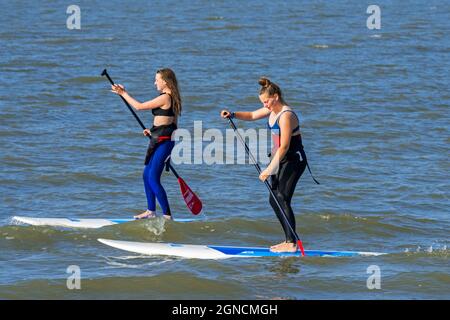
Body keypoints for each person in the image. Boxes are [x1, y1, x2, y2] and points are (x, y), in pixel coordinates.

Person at [221, 77, 318, 252]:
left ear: (276, 96)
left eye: (266, 101)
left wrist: (269, 169)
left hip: (294, 160)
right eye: (263, 103)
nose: (265, 105)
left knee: (281, 198)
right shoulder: (271, 111)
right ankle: (289, 240)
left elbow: (285, 146)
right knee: (274, 200)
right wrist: (233, 114)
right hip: (279, 159)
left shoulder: (286, 115)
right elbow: (251, 115)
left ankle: (292, 243)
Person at [111, 68, 181, 220]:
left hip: (164, 143)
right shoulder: (172, 98)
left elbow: (139, 106)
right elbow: (171, 123)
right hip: (160, 140)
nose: (155, 82)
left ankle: (168, 217)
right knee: (146, 175)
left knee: (153, 178)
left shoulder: (166, 98)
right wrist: (153, 131)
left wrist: (123, 93)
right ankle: (151, 211)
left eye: (157, 79)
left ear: (165, 81)